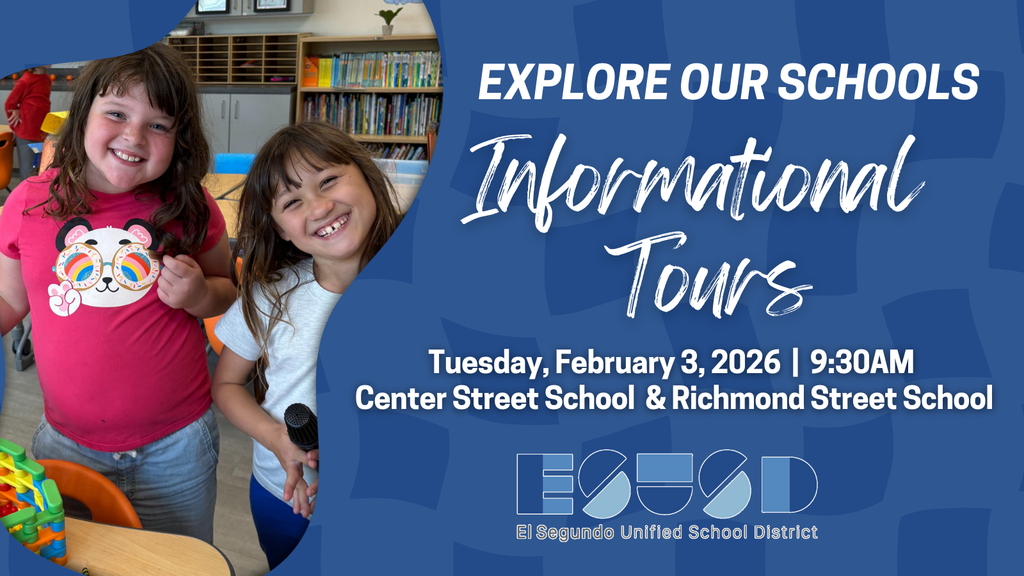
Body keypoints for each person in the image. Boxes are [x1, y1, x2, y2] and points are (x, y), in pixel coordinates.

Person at [0, 44, 235, 543]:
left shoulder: (190, 205)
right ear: (82, 115)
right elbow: (10, 301)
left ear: (179, 138)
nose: (134, 136)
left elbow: (226, 293)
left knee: (181, 564)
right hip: (66, 445)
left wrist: (198, 296)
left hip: (178, 446)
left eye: (159, 124)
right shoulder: (28, 202)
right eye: (116, 113)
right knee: (77, 557)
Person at [212, 121, 402, 569]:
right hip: (281, 496)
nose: (319, 206)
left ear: (366, 175)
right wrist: (277, 438)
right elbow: (227, 386)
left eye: (329, 180)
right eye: (293, 201)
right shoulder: (269, 295)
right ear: (279, 228)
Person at [4, 65, 52, 180]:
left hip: (42, 133)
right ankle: (23, 197)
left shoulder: (46, 78)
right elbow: (9, 104)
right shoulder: (25, 81)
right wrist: (15, 127)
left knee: (39, 170)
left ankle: (34, 196)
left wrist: (19, 109)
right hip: (26, 135)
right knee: (27, 173)